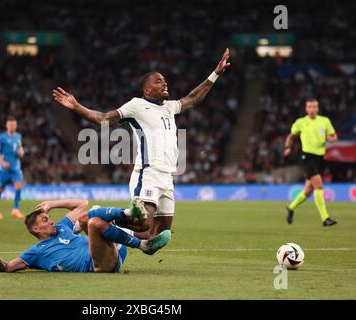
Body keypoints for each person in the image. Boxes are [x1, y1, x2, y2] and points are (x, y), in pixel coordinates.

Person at [53, 48, 231, 238]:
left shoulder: (170, 108)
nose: (164, 83)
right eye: (158, 81)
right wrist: (76, 106)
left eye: (164, 80)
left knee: (156, 236)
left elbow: (194, 98)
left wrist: (215, 74)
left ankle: (99, 222)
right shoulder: (137, 105)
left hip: (167, 176)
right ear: (147, 90)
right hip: (149, 173)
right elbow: (103, 118)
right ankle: (95, 215)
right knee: (142, 222)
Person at [0, 198, 171, 273]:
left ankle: (129, 218)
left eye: (48, 218)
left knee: (88, 218)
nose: (50, 221)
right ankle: (139, 237)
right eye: (44, 220)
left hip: (115, 249)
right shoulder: (37, 252)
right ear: (35, 230)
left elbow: (81, 203)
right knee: (92, 221)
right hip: (100, 265)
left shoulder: (61, 228)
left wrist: (51, 204)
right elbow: (6, 267)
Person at [284, 98, 338, 227]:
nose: (312, 109)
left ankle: (291, 208)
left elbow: (333, 136)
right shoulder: (301, 122)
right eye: (310, 107)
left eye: (314, 107)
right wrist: (287, 147)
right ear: (306, 108)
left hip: (320, 158)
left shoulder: (325, 121)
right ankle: (325, 218)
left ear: (318, 108)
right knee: (318, 185)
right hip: (306, 157)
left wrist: (331, 138)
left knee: (308, 190)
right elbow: (291, 136)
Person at [0, 117, 25, 220]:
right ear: (7, 125)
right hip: (4, 168)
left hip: (15, 167)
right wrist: (2, 162)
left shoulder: (18, 136)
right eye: (10, 125)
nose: (12, 126)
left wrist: (21, 153)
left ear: (16, 125)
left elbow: (20, 148)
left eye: (14, 125)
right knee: (0, 188)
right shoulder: (1, 137)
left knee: (19, 186)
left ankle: (15, 209)